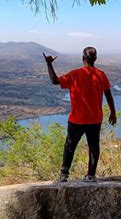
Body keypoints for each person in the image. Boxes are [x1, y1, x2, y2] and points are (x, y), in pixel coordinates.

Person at [43, 46, 116, 183]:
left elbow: (54, 81)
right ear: (95, 59)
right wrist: (113, 113)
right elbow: (109, 96)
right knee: (94, 147)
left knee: (69, 146)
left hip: (76, 120)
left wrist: (49, 64)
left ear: (83, 58)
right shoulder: (101, 75)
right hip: (95, 120)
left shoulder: (75, 74)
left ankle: (64, 175)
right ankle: (91, 175)